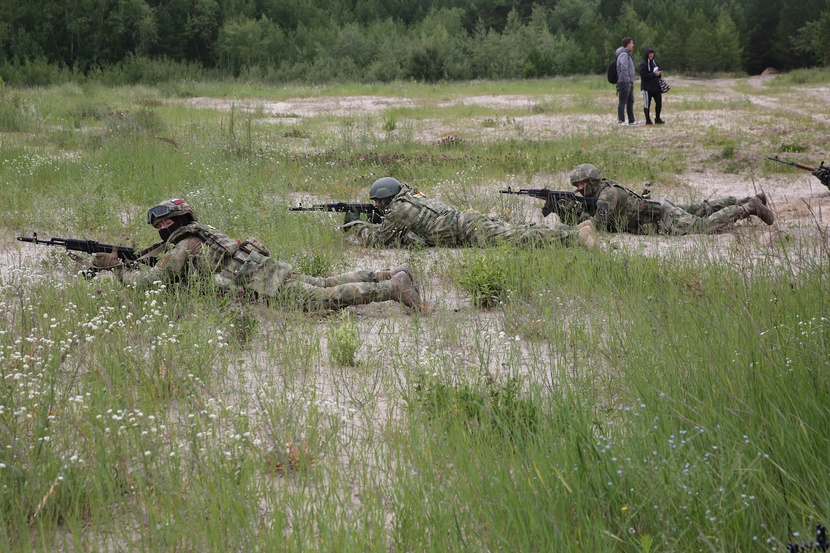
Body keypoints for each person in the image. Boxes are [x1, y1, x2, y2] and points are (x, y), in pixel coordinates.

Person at [91, 198, 422, 310]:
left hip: (264, 283)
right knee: (323, 282)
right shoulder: (201, 233)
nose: (162, 229)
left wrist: (118, 269)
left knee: (323, 298)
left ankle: (393, 288)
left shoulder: (184, 246)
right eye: (159, 226)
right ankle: (390, 272)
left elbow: (152, 282)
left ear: (175, 222)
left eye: (164, 223)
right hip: (265, 269)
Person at [342, 177, 597, 249]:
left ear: (386, 199)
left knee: (517, 239)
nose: (377, 207)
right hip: (467, 221)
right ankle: (575, 230)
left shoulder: (400, 209)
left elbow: (379, 240)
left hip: (466, 229)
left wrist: (355, 225)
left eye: (378, 203)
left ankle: (576, 237)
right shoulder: (410, 196)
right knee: (517, 231)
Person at [568, 164, 775, 235]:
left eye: (580, 185)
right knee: (700, 209)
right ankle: (748, 199)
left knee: (701, 226)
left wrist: (577, 215)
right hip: (658, 207)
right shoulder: (603, 189)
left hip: (660, 217)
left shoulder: (606, 196)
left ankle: (748, 207)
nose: (578, 189)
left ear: (591, 181)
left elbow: (599, 226)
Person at [616, 37, 640, 126]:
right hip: (624, 81)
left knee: (630, 100)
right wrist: (627, 80)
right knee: (623, 101)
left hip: (629, 81)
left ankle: (631, 120)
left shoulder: (627, 54)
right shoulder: (623, 54)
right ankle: (621, 120)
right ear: (628, 44)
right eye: (632, 43)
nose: (633, 45)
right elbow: (624, 67)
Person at [639, 47, 664, 125]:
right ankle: (648, 120)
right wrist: (653, 74)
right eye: (650, 54)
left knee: (659, 102)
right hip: (647, 88)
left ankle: (657, 118)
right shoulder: (643, 64)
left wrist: (659, 74)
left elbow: (658, 74)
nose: (651, 55)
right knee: (647, 104)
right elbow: (643, 76)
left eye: (652, 54)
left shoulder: (655, 63)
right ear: (646, 54)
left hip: (656, 87)